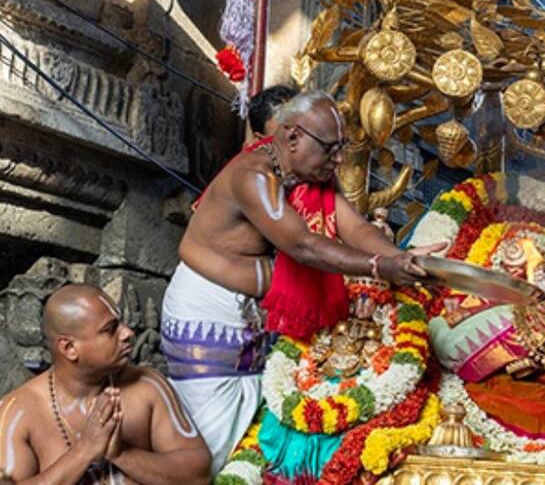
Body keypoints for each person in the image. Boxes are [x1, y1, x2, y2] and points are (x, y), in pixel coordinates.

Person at [163, 90, 441, 472]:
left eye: (342, 147)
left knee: (252, 442)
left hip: (260, 322)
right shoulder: (253, 175)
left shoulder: (309, 176)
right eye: (330, 148)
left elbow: (355, 228)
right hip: (208, 320)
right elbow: (303, 244)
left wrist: (401, 259)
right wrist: (378, 267)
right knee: (208, 455)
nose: (340, 158)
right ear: (292, 138)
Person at [0, 284, 211, 484]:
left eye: (121, 322)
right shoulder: (17, 411)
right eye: (110, 329)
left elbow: (199, 475)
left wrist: (121, 454)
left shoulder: (148, 386)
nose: (128, 333)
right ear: (69, 348)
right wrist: (84, 451)